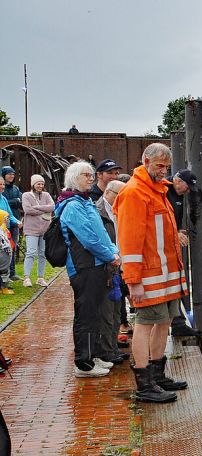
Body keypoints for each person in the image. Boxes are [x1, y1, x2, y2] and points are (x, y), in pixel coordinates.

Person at [115, 143, 187, 403]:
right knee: (144, 325)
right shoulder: (135, 193)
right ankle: (145, 383)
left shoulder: (158, 191)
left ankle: (157, 375)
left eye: (166, 167)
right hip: (149, 277)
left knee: (164, 322)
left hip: (165, 278)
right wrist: (133, 280)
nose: (164, 171)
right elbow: (129, 241)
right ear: (145, 161)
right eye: (159, 166)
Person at [55, 161, 120, 378]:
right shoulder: (72, 205)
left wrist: (112, 251)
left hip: (97, 264)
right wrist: (110, 255)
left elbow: (101, 232)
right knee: (86, 314)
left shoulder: (85, 202)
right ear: (74, 178)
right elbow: (89, 238)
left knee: (96, 312)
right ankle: (83, 361)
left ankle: (95, 354)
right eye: (86, 175)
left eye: (92, 175)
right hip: (84, 267)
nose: (91, 178)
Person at [94, 180, 129, 365]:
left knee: (116, 310)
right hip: (106, 268)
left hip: (118, 268)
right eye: (119, 195)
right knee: (107, 312)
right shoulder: (97, 211)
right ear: (109, 192)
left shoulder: (118, 210)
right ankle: (106, 350)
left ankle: (113, 347)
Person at [167, 169, 198, 336]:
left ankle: (178, 321)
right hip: (163, 247)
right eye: (186, 187)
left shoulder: (178, 194)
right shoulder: (163, 191)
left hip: (172, 246)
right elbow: (158, 218)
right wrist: (174, 233)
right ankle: (175, 322)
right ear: (177, 181)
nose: (187, 192)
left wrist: (178, 230)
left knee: (177, 280)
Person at [21, 175, 53, 287]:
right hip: (31, 229)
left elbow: (52, 207)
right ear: (33, 184)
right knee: (31, 252)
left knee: (43, 254)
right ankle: (26, 278)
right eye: (38, 184)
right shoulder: (26, 195)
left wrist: (37, 207)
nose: (40, 186)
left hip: (45, 229)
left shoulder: (46, 195)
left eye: (42, 184)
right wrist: (44, 208)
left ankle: (40, 277)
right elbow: (27, 210)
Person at [1, 167, 22, 282]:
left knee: (12, 248)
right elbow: (15, 202)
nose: (11, 176)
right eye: (9, 174)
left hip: (14, 221)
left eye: (13, 174)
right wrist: (16, 201)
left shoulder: (15, 189)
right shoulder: (3, 194)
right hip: (3, 225)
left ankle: (11, 273)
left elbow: (21, 202)